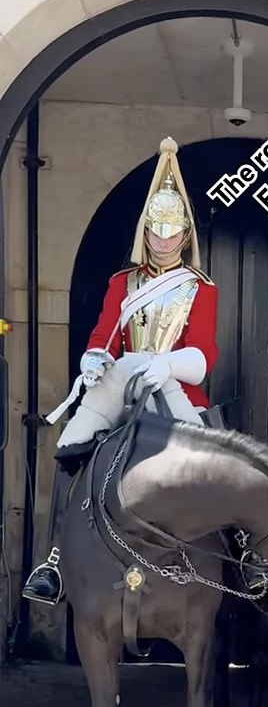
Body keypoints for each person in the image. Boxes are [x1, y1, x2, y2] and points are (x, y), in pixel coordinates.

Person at [22, 136, 219, 605]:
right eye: (156, 230)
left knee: (215, 457)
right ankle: (53, 563)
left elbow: (204, 354)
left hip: (173, 383)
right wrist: (93, 358)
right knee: (70, 448)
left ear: (185, 236)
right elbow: (103, 335)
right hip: (121, 380)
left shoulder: (201, 289)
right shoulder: (121, 282)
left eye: (173, 232)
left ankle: (236, 560)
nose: (164, 240)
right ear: (145, 231)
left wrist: (168, 362)